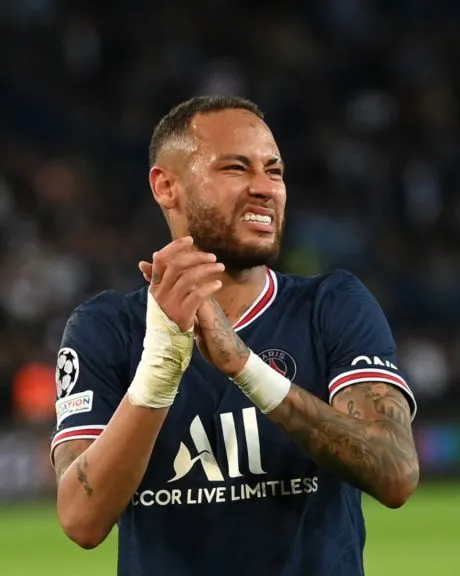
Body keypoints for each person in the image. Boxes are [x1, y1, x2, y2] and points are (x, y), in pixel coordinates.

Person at [50, 95, 419, 576]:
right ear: (166, 186)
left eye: (275, 171)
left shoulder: (331, 305)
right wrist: (160, 366)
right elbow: (81, 519)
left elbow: (396, 474)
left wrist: (245, 366)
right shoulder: (105, 329)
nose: (265, 188)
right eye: (236, 169)